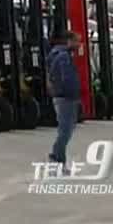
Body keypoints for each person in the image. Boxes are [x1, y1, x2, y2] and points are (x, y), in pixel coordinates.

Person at [47, 31, 81, 172]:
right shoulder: (63, 57)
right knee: (65, 130)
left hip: (63, 96)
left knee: (66, 129)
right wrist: (72, 92)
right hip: (65, 97)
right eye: (77, 41)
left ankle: (58, 158)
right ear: (69, 41)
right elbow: (66, 78)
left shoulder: (60, 55)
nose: (79, 44)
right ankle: (56, 158)